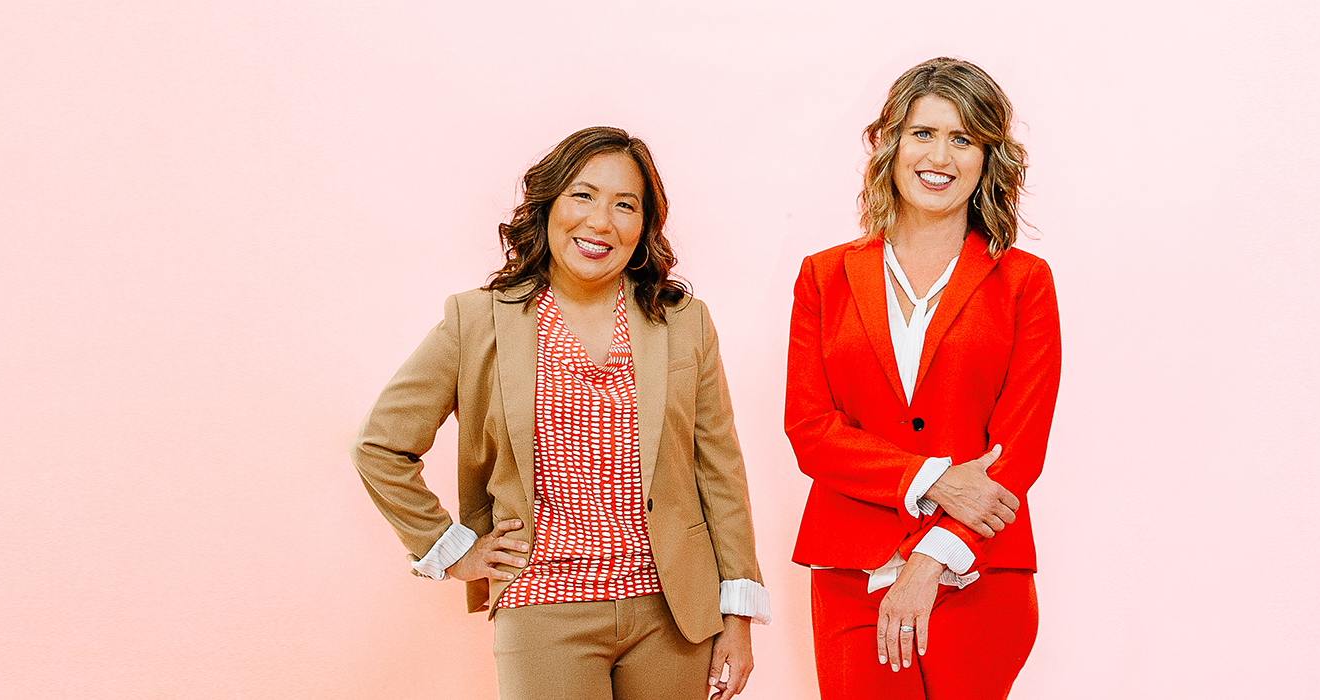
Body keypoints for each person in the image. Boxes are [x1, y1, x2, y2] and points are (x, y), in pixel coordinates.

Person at [355, 126, 769, 700]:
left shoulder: (684, 322)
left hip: (674, 615)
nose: (601, 222)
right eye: (584, 195)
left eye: (626, 205)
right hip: (543, 609)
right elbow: (379, 446)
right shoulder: (476, 321)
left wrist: (739, 615)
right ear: (548, 205)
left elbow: (718, 471)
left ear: (644, 227)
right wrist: (453, 551)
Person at [784, 57, 1062, 699]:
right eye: (924, 133)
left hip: (979, 573)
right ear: (890, 143)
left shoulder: (1025, 282)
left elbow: (1018, 447)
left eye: (964, 138)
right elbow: (811, 431)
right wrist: (931, 476)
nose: (941, 155)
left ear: (989, 159)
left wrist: (934, 557)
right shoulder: (822, 277)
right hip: (853, 571)